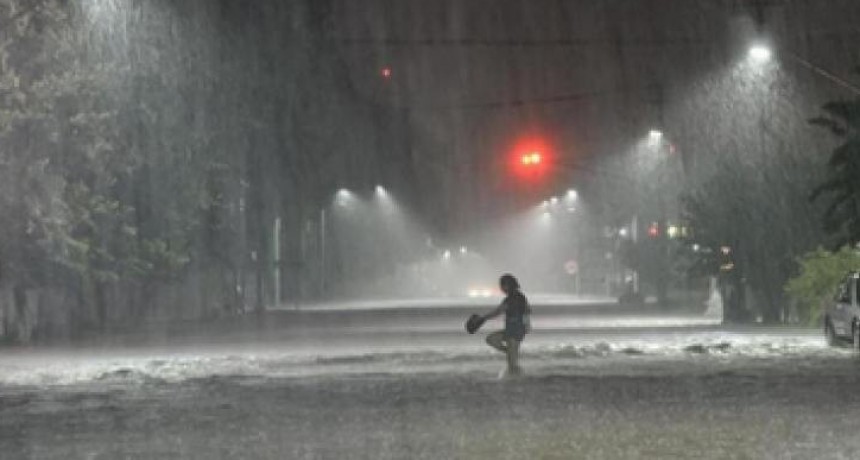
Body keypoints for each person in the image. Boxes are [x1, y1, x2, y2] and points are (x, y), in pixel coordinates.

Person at [481, 274, 531, 377]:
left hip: (515, 329)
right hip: (514, 329)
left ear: (507, 285)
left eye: (502, 285)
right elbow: (527, 311)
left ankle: (517, 379)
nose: (501, 288)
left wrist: (483, 318)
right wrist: (527, 325)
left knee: (512, 362)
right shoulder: (519, 297)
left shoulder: (512, 299)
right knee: (491, 339)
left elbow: (498, 312)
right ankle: (514, 370)